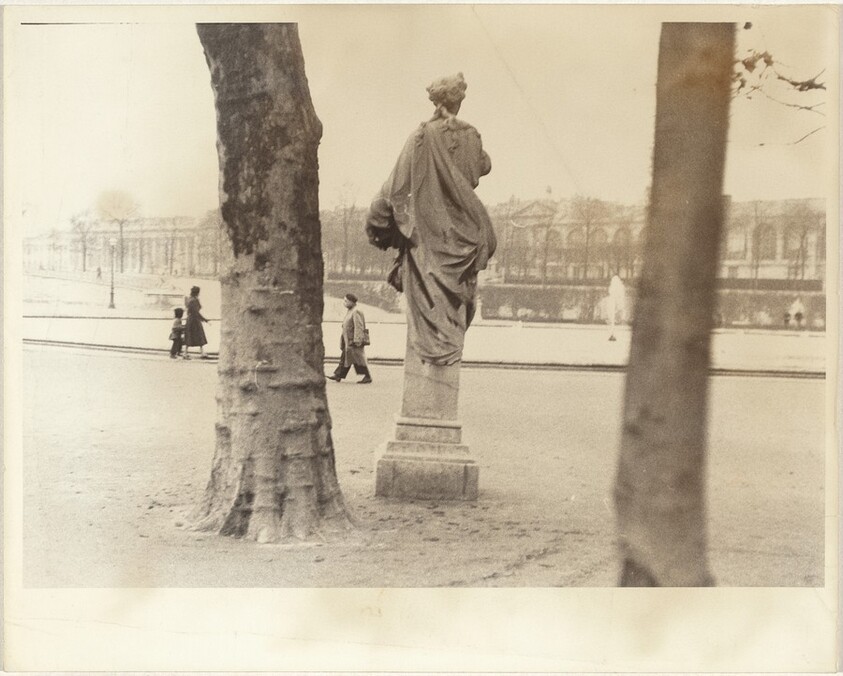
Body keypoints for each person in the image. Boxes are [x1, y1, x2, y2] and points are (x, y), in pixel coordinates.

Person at [364, 72, 496, 366]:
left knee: (426, 314)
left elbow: (394, 189)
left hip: (426, 246)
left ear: (435, 100)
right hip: (464, 243)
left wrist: (376, 225)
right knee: (456, 317)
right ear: (459, 100)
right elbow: (482, 167)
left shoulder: (421, 138)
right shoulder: (472, 137)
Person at [327, 293, 372, 384]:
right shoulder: (351, 310)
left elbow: (359, 326)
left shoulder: (356, 311)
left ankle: (367, 376)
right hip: (347, 340)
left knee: (356, 358)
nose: (344, 303)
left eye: (346, 301)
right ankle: (338, 375)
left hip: (353, 341)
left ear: (352, 302)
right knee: (347, 357)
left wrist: (357, 340)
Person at [183, 285, 210, 359]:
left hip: (189, 319)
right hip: (195, 320)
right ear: (197, 292)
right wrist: (204, 319)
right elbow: (196, 312)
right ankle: (201, 352)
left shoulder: (189, 299)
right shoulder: (194, 300)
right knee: (199, 336)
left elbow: (190, 310)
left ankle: (185, 352)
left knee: (189, 336)